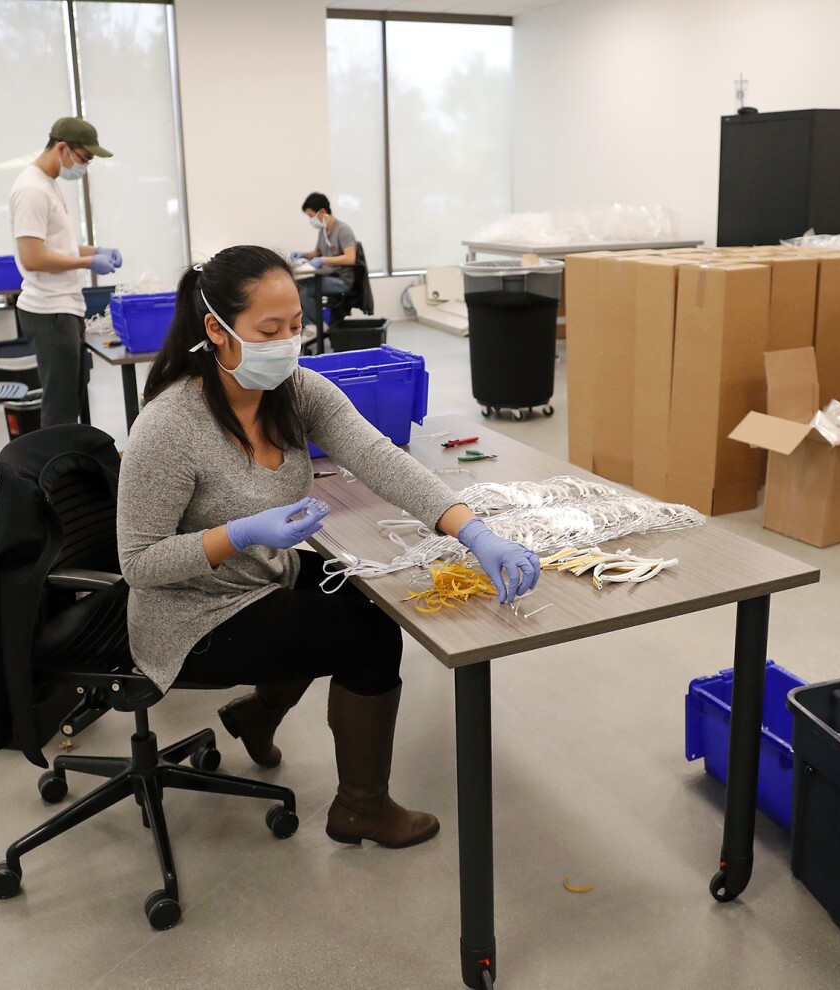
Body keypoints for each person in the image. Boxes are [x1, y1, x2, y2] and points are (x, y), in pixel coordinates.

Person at [116, 245, 539, 848]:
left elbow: (377, 457)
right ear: (215, 328)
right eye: (269, 330)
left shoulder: (294, 389)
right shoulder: (169, 426)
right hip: (190, 616)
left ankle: (258, 714)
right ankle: (360, 808)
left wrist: (471, 529)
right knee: (365, 633)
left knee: (363, 594)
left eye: (295, 327)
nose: (288, 343)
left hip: (262, 577)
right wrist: (237, 533)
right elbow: (138, 565)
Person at [10, 116, 124, 427]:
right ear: (63, 148)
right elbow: (33, 257)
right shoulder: (32, 189)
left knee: (72, 395)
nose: (84, 167)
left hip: (63, 307)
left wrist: (95, 250)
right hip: (49, 310)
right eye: (84, 158)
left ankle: (68, 464)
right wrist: (88, 263)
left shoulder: (47, 184)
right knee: (60, 406)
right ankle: (53, 473)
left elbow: (58, 245)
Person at [290, 192, 357, 329]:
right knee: (299, 286)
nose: (311, 220)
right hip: (328, 275)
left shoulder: (343, 230)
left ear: (322, 212)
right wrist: (304, 255)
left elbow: (350, 258)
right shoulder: (324, 230)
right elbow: (318, 252)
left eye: (311, 216)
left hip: (342, 279)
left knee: (306, 291)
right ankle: (310, 326)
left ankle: (316, 326)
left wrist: (323, 260)